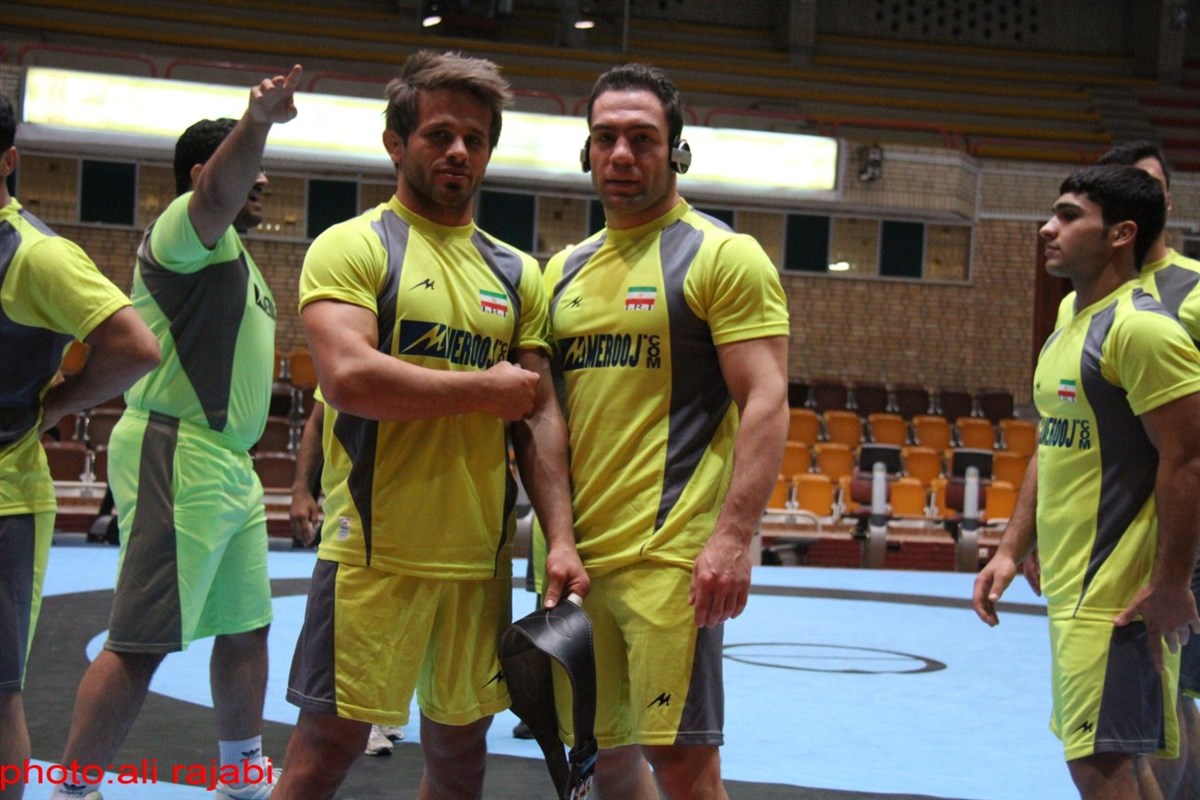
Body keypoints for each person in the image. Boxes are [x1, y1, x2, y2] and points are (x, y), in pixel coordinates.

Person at [271, 50, 586, 800]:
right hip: (374, 554)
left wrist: (561, 537)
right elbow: (349, 379)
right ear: (395, 142)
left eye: (475, 139)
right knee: (325, 752)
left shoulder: (517, 272)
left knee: (461, 757)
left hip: (477, 561)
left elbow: (536, 412)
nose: (458, 152)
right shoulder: (353, 246)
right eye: (439, 134)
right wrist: (483, 388)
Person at [48, 66, 303, 800]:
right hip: (177, 450)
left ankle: (241, 774)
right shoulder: (182, 235)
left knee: (247, 625)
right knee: (143, 637)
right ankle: (74, 789)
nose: (262, 181)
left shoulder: (242, 259)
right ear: (203, 174)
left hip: (228, 466)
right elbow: (219, 194)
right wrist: (256, 123)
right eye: (251, 169)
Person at [542, 63, 789, 799]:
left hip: (672, 559)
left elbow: (767, 398)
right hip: (581, 559)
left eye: (642, 139)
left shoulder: (722, 256)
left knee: (680, 763)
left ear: (677, 151)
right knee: (600, 752)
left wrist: (733, 537)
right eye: (606, 138)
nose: (622, 155)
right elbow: (548, 416)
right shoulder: (561, 271)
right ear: (586, 151)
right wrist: (556, 537)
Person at [974, 164, 1200, 800]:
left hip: (1115, 595)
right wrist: (1012, 549)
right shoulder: (1072, 317)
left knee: (1100, 765)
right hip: (1075, 585)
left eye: (1069, 216)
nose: (1048, 228)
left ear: (1121, 234)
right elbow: (1051, 443)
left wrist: (1172, 583)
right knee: (1114, 760)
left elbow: (1189, 460)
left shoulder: (1143, 329)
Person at [0, 92, 159, 800]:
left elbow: (135, 346)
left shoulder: (37, 255)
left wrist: (58, 402)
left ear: (8, 160)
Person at [284, 402, 403, 756]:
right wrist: (301, 489)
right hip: (356, 507)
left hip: (399, 505)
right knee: (351, 616)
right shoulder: (346, 366)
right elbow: (318, 418)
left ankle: (377, 711)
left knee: (395, 613)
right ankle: (350, 717)